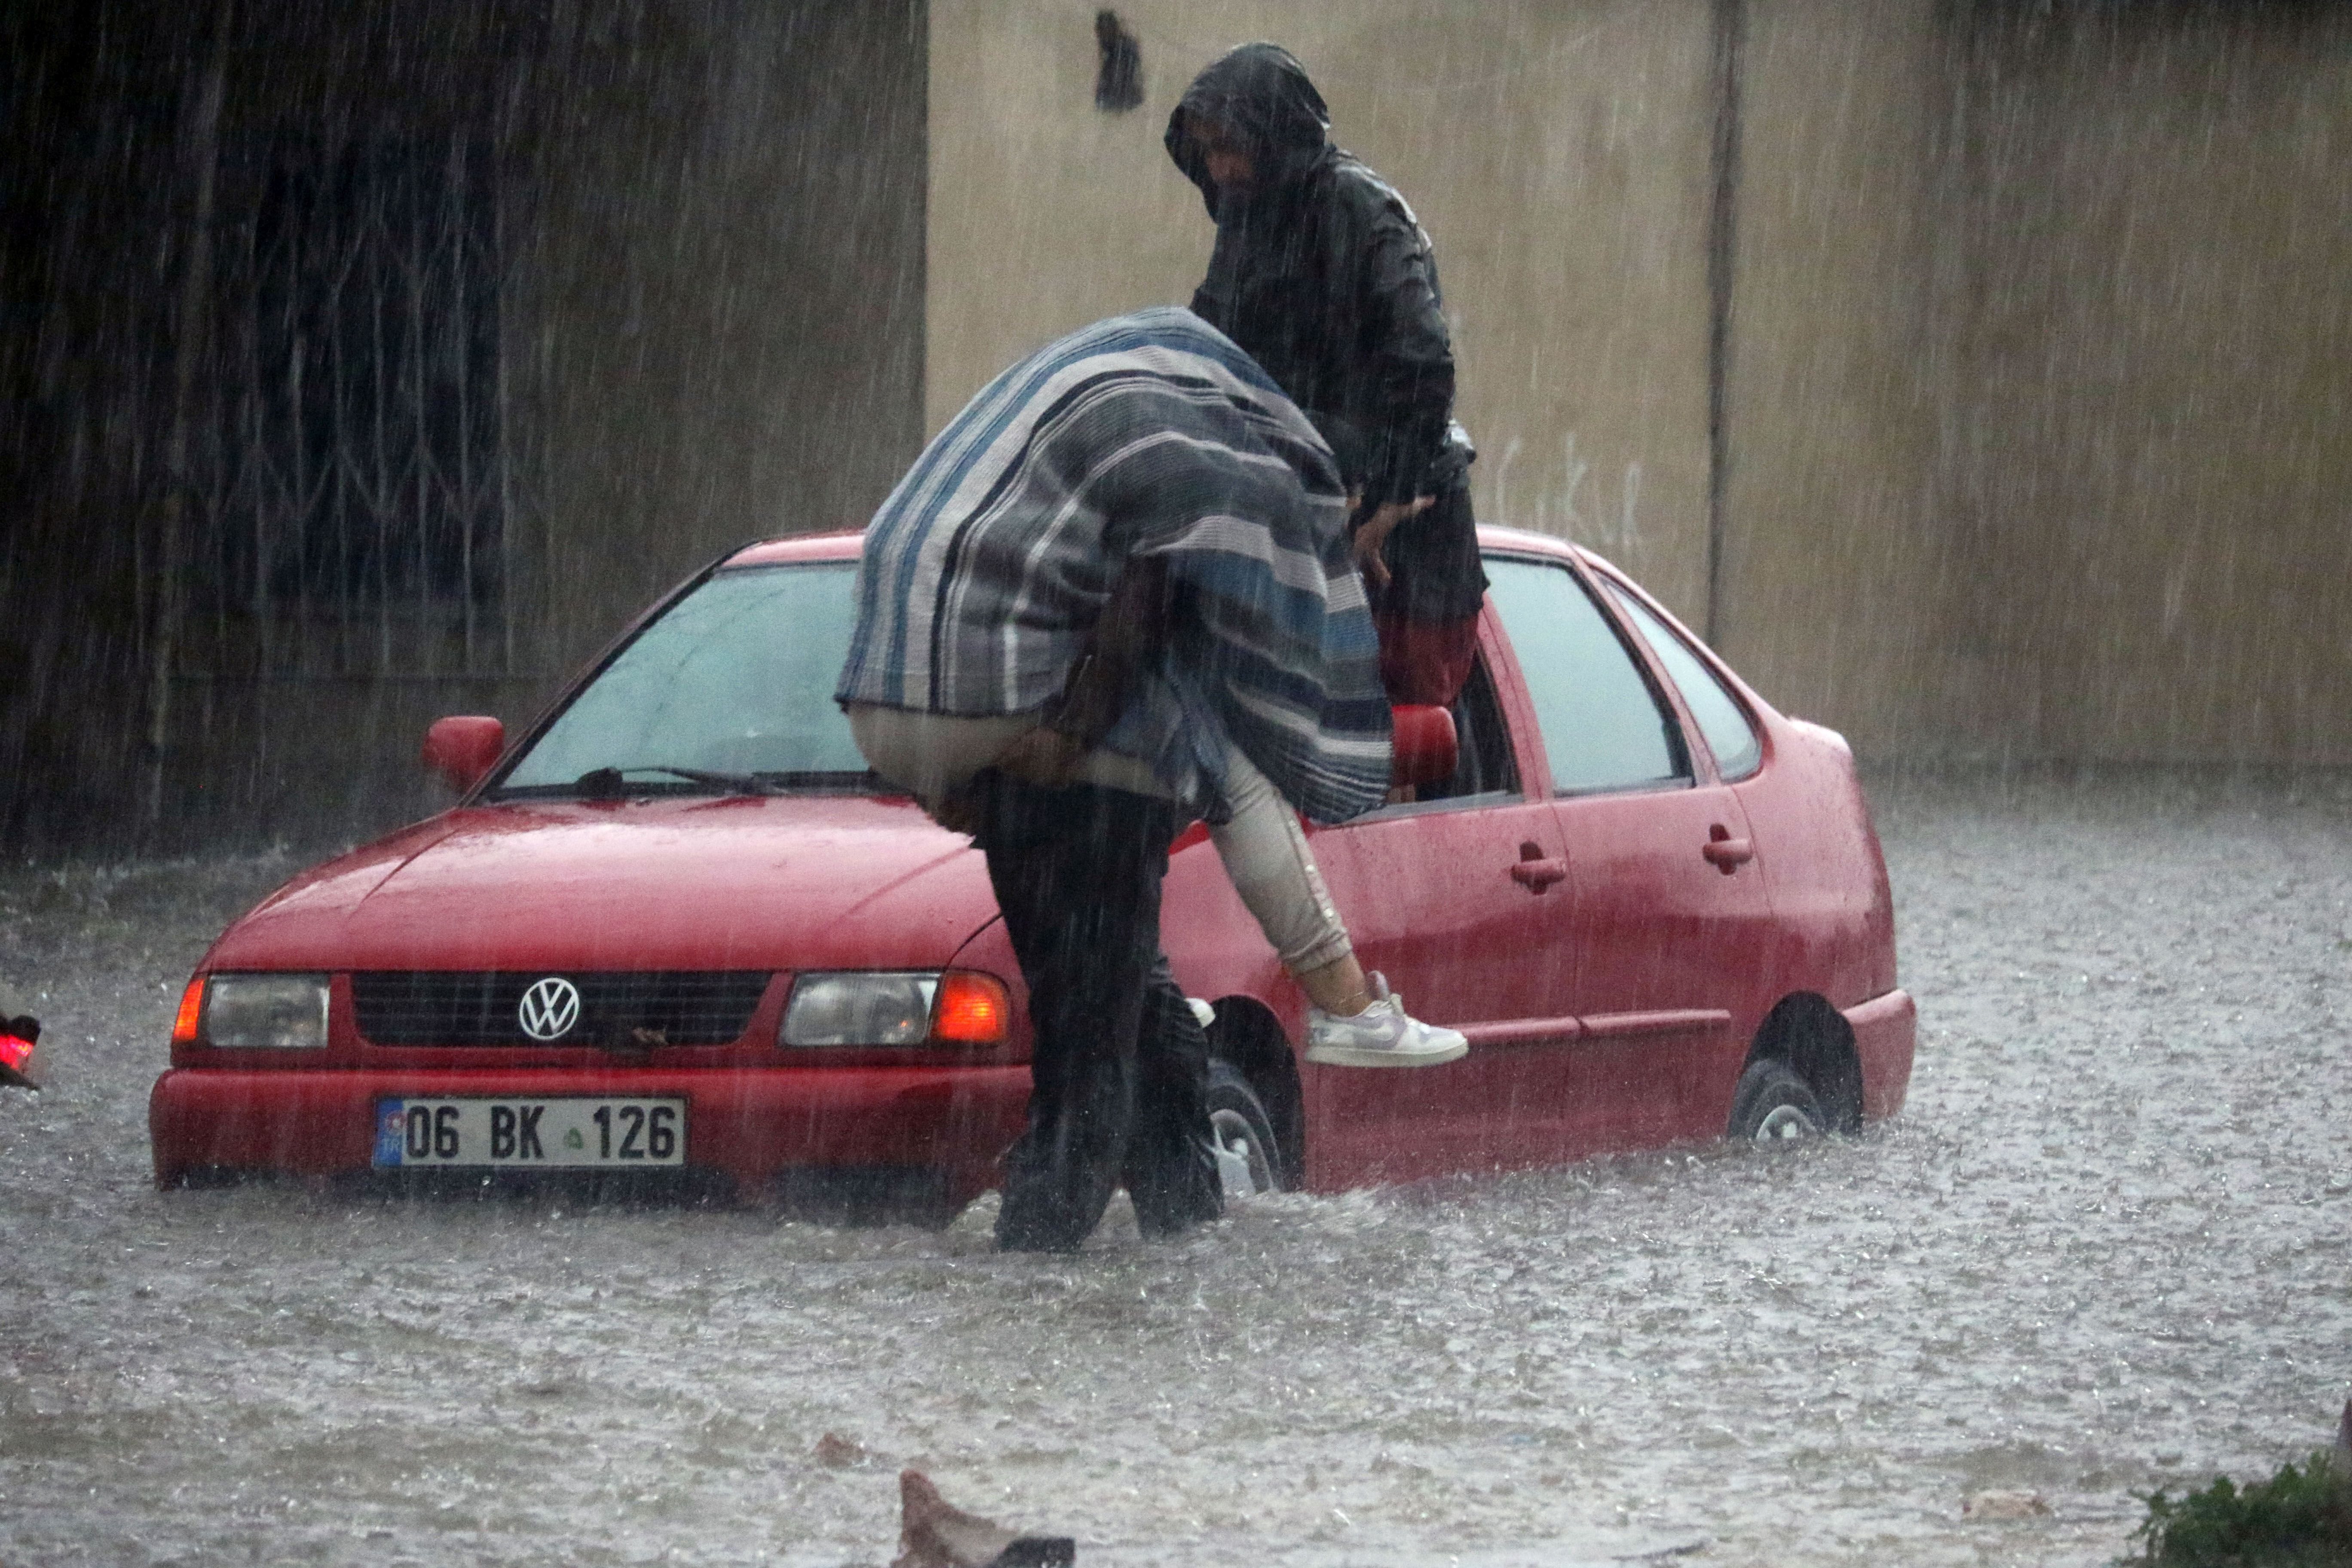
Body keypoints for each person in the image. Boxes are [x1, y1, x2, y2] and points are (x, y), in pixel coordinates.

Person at [839, 307, 1404, 1251]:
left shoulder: (1142, 387)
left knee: (1156, 1040)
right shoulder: (1231, 462)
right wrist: (1070, 730)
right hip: (1077, 766)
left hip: (899, 688)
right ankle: (1031, 1305)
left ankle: (1185, 1244)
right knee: (1087, 1083)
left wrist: (962, 763)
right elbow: (1157, 604)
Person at [1165, 42, 1488, 710]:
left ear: (1275, 137)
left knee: (1398, 738)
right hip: (1305, 523)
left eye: (1232, 145)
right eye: (1208, 150)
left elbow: (1423, 364)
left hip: (1410, 547)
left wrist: (1380, 505)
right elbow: (1209, 355)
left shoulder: (1361, 211)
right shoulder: (1249, 227)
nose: (1220, 167)